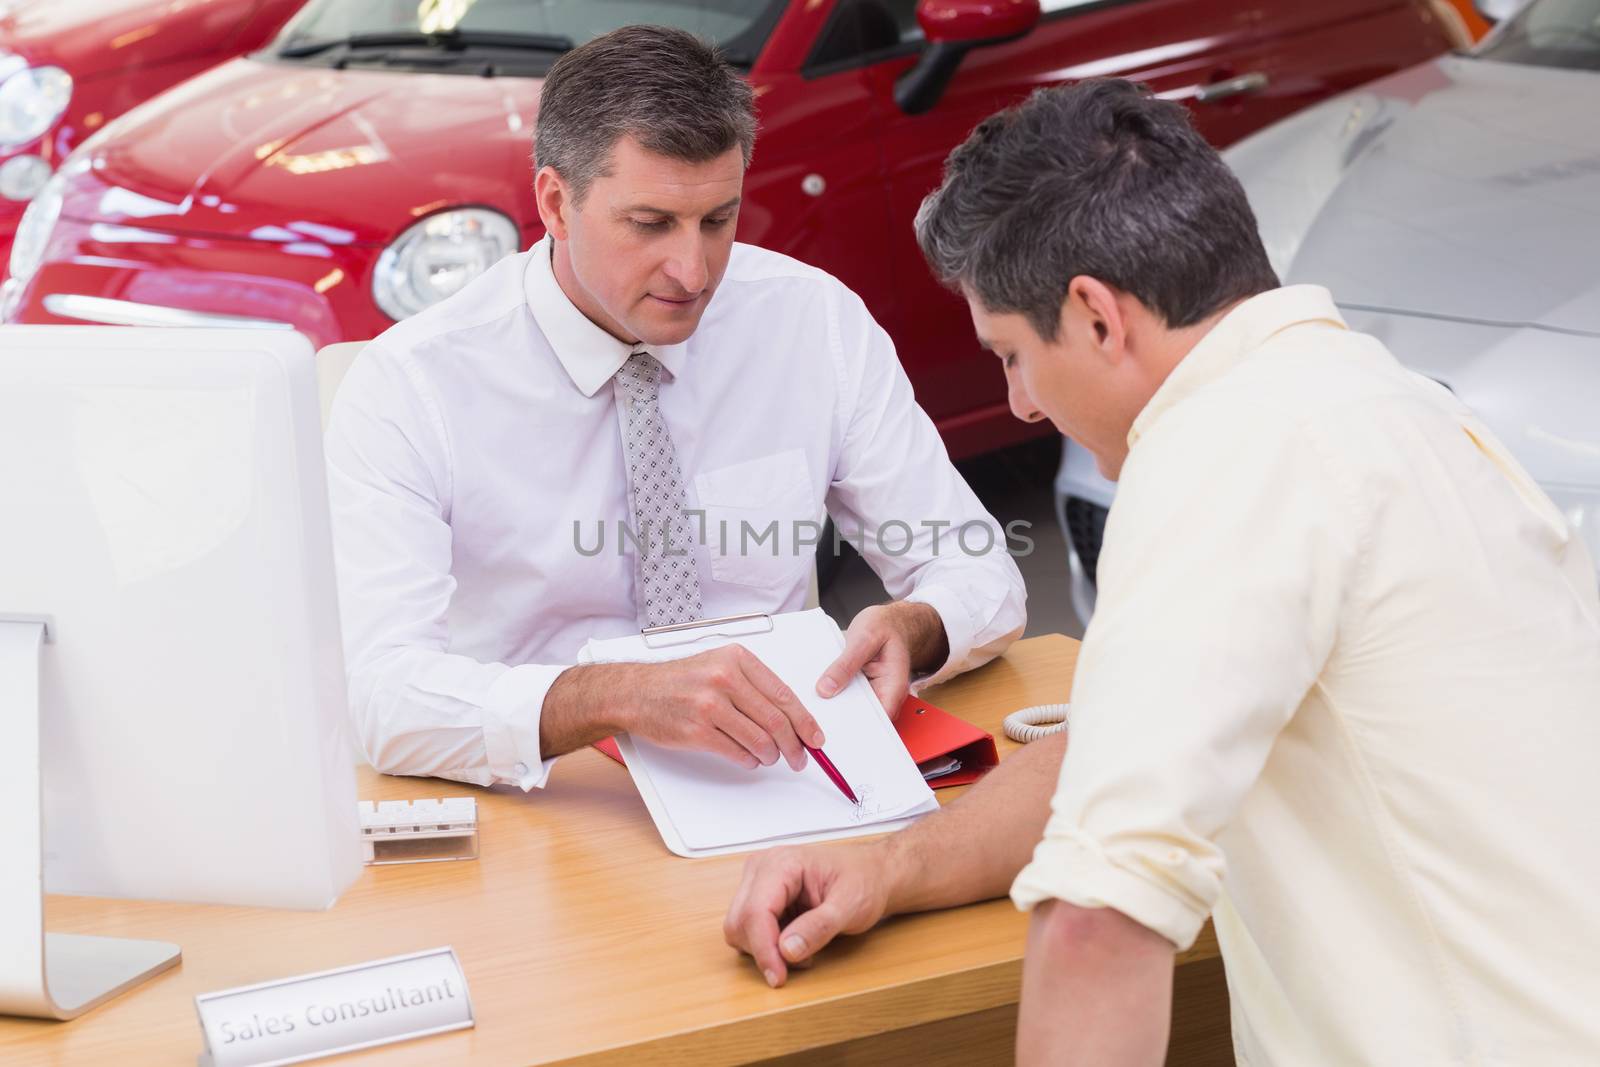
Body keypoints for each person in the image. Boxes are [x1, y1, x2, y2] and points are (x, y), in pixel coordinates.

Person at [723, 79, 1600, 1065]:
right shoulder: (1386, 406)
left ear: (1096, 316)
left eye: (1011, 354)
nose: (1016, 405)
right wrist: (891, 868)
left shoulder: (1219, 454)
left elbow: (1099, 919)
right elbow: (1115, 748)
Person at [323, 25, 1025, 792]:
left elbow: (978, 571)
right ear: (556, 203)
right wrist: (614, 695)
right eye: (650, 224)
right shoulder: (412, 385)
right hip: (551, 801)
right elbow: (383, 696)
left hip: (779, 780)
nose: (693, 271)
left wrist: (916, 628)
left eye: (718, 220)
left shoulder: (812, 322)